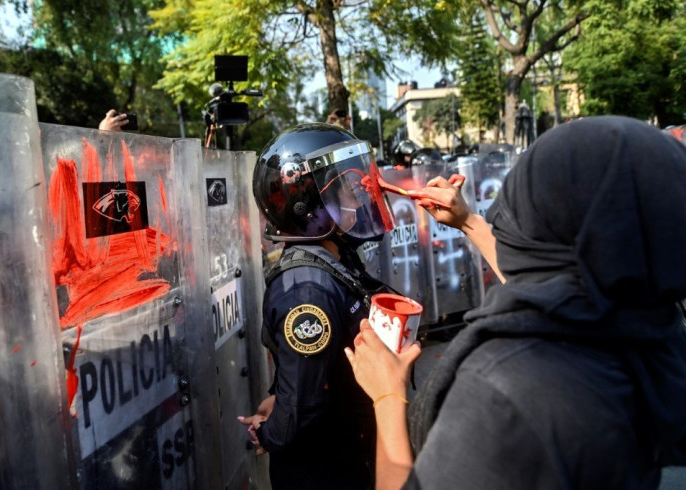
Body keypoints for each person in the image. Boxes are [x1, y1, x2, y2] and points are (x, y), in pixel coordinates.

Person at [345, 116, 686, 489]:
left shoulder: (509, 389)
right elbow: (555, 285)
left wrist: (388, 396)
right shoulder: (648, 329)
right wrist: (468, 222)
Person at [239, 123, 398, 489]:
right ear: (306, 205)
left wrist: (278, 397)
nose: (358, 197)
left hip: (355, 451)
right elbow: (302, 405)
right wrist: (270, 434)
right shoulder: (306, 289)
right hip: (327, 471)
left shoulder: (334, 254)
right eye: (345, 187)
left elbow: (312, 370)